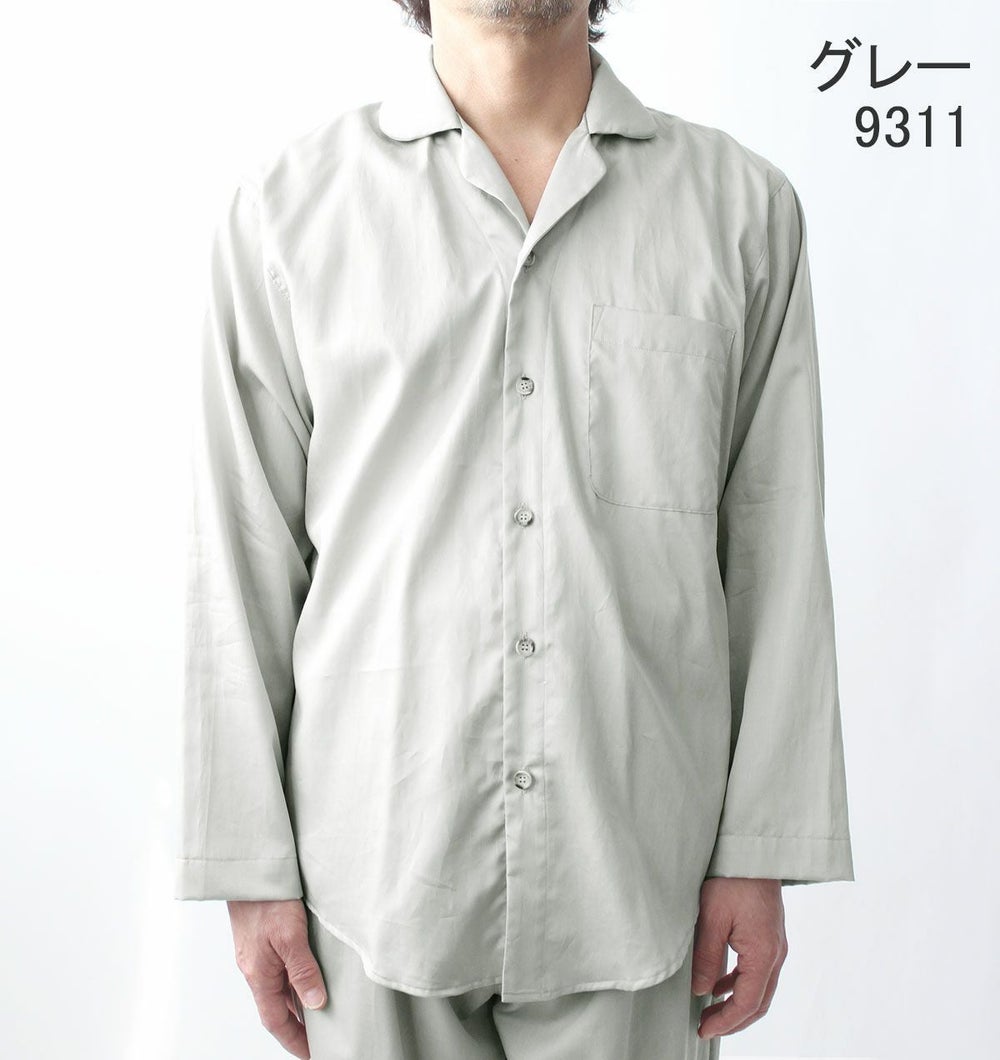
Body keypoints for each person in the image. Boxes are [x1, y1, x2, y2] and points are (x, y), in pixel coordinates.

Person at [174, 1, 855, 1057]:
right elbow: (241, 552)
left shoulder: (740, 211)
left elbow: (776, 547)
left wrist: (758, 848)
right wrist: (249, 866)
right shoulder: (287, 212)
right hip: (369, 877)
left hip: (643, 871)